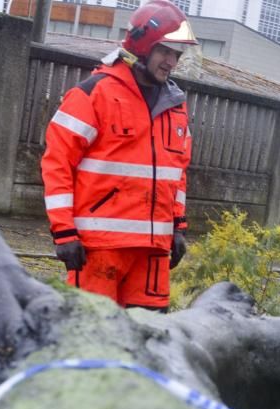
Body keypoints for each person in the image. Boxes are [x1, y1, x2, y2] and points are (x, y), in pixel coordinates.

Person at [41, 0, 197, 311]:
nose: (171, 62)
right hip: (99, 249)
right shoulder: (94, 94)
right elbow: (57, 163)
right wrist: (64, 232)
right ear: (142, 46)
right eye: (165, 51)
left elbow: (177, 173)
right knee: (93, 340)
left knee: (148, 341)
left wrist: (177, 227)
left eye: (176, 55)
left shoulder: (175, 106)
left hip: (152, 252)